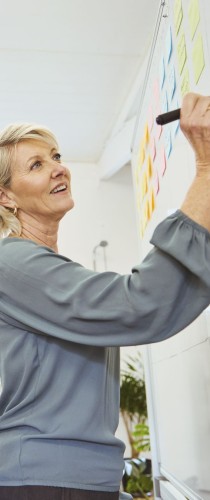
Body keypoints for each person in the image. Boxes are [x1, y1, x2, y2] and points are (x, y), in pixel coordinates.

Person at [0, 92, 210, 500]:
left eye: (56, 157)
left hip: (71, 481)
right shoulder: (13, 262)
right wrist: (205, 167)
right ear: (5, 197)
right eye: (37, 165)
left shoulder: (43, 268)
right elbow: (140, 306)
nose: (58, 169)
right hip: (43, 481)